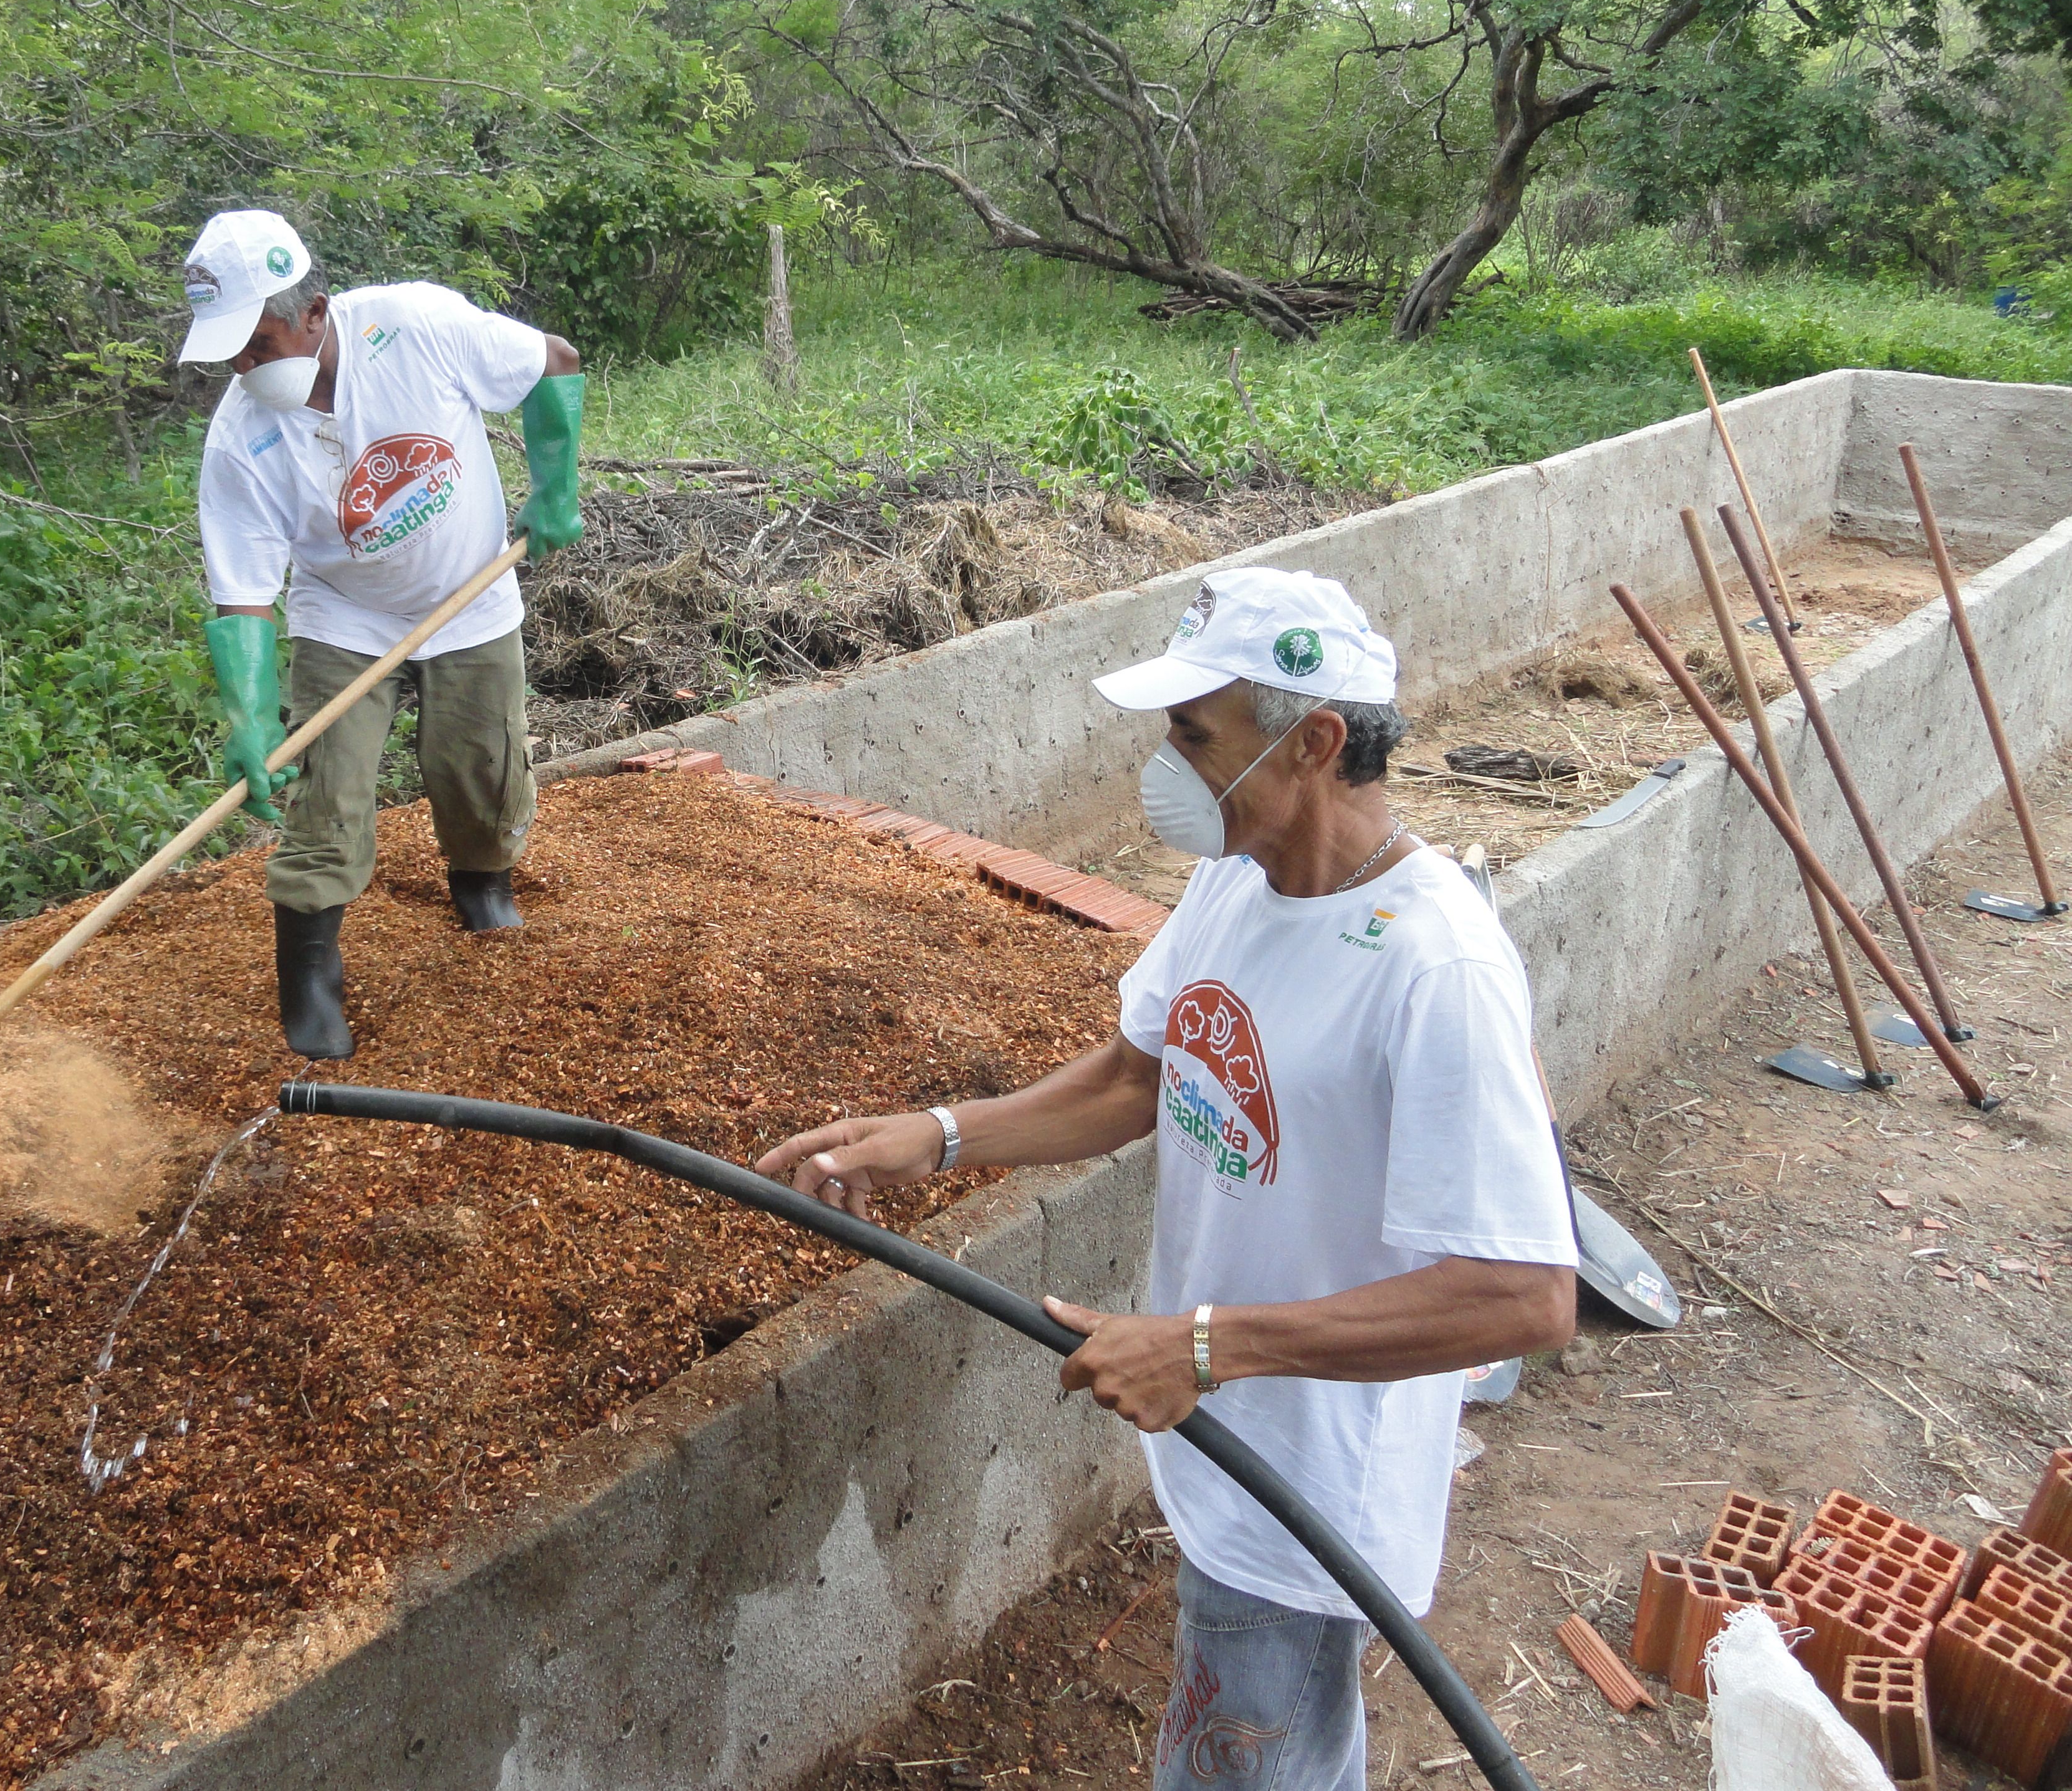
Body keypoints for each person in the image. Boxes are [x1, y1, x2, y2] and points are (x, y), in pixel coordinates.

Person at [757, 566, 1577, 1791]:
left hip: (1309, 1492)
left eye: (1194, 734)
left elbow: (1524, 1298)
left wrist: (1205, 1347)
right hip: (1227, 1439)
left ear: (1313, 742)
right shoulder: (1238, 880)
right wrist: (934, 1134)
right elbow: (1138, 1081)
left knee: (1249, 1760)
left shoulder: (1434, 966)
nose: (1167, 760)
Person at [177, 208, 585, 1058]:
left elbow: (554, 363)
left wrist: (554, 487)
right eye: (234, 355)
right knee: (329, 789)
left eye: (262, 344)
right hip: (345, 615)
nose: (248, 369)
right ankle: (311, 976)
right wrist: (249, 719)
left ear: (317, 314)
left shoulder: (416, 326)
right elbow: (246, 593)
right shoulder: (240, 441)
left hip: (469, 593)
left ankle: (482, 884)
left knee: (481, 766)